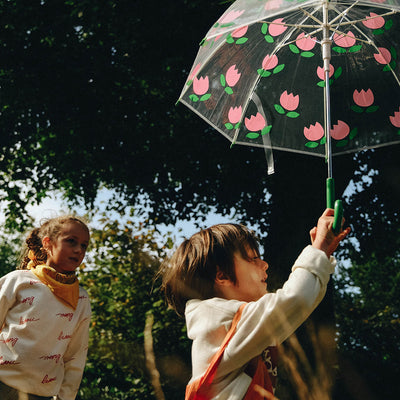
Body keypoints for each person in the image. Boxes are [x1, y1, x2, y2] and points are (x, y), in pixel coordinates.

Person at [161, 208, 351, 400]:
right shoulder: (218, 318)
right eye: (253, 259)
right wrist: (319, 249)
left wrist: (322, 254)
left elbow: (301, 301)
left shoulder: (230, 322)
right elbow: (295, 300)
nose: (265, 264)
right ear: (222, 276)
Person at [0, 215, 92, 400]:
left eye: (84, 245)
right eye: (71, 241)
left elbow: (75, 356)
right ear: (48, 243)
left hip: (40, 394)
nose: (78, 250)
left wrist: (66, 397)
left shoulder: (81, 299)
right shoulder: (18, 280)